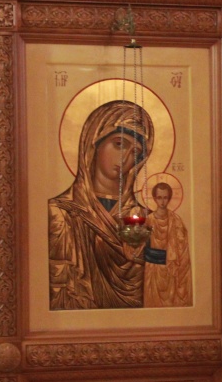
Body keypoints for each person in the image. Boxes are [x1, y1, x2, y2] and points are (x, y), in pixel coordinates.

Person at [48, 100, 153, 310]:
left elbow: (166, 265)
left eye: (135, 152)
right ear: (94, 141)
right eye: (119, 144)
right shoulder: (61, 212)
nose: (125, 158)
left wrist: (146, 255)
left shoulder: (146, 217)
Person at [143, 181, 193, 307]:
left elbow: (182, 245)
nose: (162, 201)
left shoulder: (176, 220)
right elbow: (141, 244)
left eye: (165, 197)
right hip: (154, 268)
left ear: (169, 198)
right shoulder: (149, 220)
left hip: (171, 268)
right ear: (154, 198)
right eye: (159, 197)